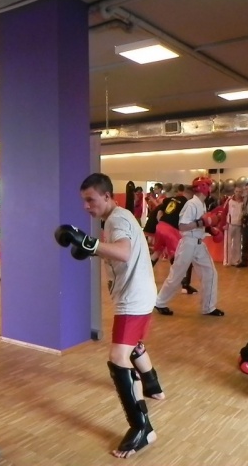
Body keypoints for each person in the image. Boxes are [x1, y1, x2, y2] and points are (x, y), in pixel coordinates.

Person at [55, 173, 163, 459]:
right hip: (141, 292)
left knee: (118, 357)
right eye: (84, 201)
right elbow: (119, 253)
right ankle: (153, 386)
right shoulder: (119, 217)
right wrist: (92, 250)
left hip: (133, 298)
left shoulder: (116, 220)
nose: (86, 206)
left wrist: (89, 243)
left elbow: (124, 253)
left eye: (90, 200)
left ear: (106, 196)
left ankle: (142, 427)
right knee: (133, 346)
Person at [154, 177, 225, 317]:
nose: (211, 189)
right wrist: (201, 222)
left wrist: (211, 229)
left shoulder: (201, 204)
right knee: (177, 275)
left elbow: (201, 223)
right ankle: (159, 302)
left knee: (210, 273)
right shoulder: (191, 204)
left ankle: (208, 307)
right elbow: (182, 226)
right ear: (204, 188)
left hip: (198, 243)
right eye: (209, 186)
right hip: (188, 243)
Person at [149, 184, 199, 298]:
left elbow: (159, 210)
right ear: (191, 194)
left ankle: (143, 275)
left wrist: (160, 220)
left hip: (160, 226)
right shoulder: (188, 204)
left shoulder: (172, 199)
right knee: (182, 255)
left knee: (157, 252)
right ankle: (185, 285)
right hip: (170, 230)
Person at [223, 185, 244, 266]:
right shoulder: (229, 200)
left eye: (240, 192)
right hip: (229, 224)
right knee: (228, 243)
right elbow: (224, 212)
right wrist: (224, 224)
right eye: (236, 191)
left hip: (239, 225)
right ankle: (227, 260)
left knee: (237, 243)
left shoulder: (243, 201)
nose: (238, 193)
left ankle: (236, 260)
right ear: (234, 192)